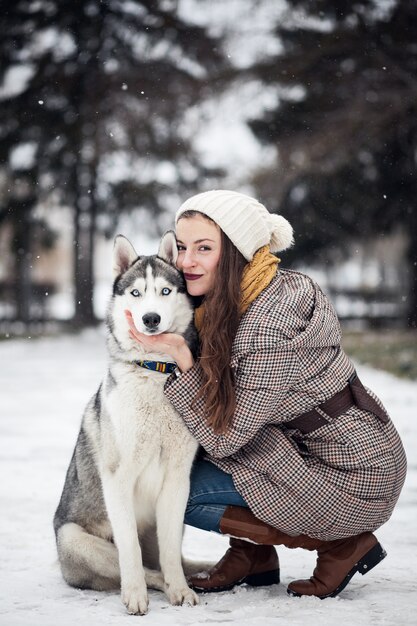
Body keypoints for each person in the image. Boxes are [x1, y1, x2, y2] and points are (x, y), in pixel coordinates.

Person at [126, 189, 407, 599]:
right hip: (323, 446)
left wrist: (181, 357)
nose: (185, 261)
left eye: (204, 248)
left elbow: (226, 436)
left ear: (238, 252)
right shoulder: (245, 293)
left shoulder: (267, 328)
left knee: (172, 489)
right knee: (187, 448)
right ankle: (253, 554)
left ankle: (341, 544)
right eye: (182, 246)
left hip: (352, 475)